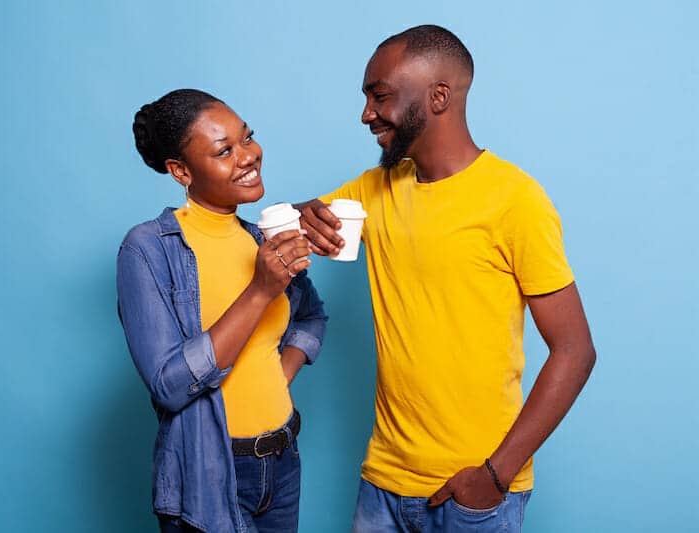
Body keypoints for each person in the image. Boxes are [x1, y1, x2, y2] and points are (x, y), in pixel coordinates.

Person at [298, 25, 596, 532]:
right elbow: (288, 233)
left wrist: (494, 477)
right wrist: (303, 212)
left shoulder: (515, 200)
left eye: (380, 95)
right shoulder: (375, 189)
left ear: (439, 97)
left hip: (474, 495)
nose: (366, 113)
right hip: (382, 486)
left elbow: (575, 350)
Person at [117, 89, 327, 533]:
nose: (248, 156)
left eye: (247, 138)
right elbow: (168, 385)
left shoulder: (261, 239)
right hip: (211, 473)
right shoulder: (148, 249)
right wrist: (258, 292)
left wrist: (280, 375)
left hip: (283, 460)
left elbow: (310, 316)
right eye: (224, 150)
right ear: (180, 171)